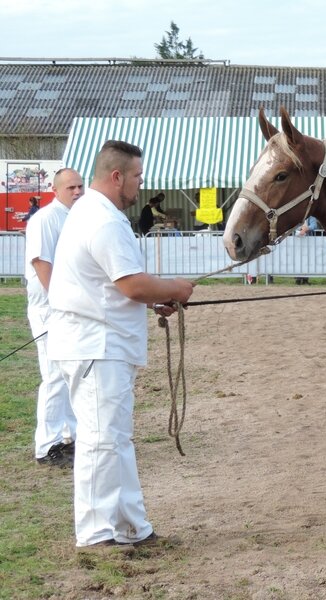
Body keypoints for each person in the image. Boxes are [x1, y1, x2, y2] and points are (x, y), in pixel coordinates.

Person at [47, 140, 194, 551]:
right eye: (136, 177)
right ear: (117, 177)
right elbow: (131, 283)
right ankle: (96, 535)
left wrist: (157, 298)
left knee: (114, 439)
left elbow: (113, 285)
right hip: (96, 346)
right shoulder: (104, 220)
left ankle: (132, 527)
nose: (139, 185)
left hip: (98, 343)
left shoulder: (91, 213)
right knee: (102, 441)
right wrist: (176, 289)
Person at [24, 168, 84, 468]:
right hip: (49, 307)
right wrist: (60, 301)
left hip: (66, 306)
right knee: (53, 375)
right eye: (71, 187)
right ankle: (46, 445)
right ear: (56, 189)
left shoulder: (75, 218)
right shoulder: (45, 219)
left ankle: (68, 436)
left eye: (80, 186)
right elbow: (40, 263)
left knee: (69, 372)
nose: (77, 191)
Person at [295, 215, 320, 285]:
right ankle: (298, 278)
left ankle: (305, 279)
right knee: (297, 260)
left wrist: (306, 228)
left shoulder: (311, 217)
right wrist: (301, 228)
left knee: (307, 261)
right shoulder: (296, 216)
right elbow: (293, 227)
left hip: (308, 243)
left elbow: (314, 225)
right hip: (296, 243)